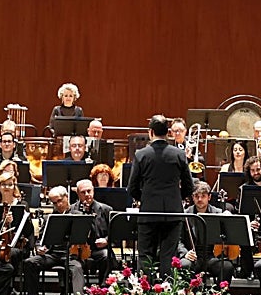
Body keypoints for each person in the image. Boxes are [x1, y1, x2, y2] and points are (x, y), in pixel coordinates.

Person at [128, 114, 192, 277]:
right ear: (168, 132)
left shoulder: (141, 155)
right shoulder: (179, 155)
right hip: (173, 212)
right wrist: (177, 198)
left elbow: (132, 187)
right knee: (168, 256)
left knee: (145, 255)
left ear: (151, 132)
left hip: (148, 212)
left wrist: (144, 199)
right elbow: (189, 186)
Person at [23, 186, 82, 295]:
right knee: (30, 262)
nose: (58, 205)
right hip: (53, 255)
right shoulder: (50, 218)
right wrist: (40, 248)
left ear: (67, 197)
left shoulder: (78, 215)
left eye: (60, 201)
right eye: (54, 203)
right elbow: (41, 239)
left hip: (71, 255)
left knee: (77, 268)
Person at [179, 181, 236, 283]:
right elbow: (178, 240)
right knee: (184, 265)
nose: (200, 199)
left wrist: (229, 220)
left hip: (212, 256)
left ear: (209, 197)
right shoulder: (185, 214)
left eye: (203, 196)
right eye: (196, 196)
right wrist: (185, 253)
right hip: (193, 256)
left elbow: (228, 237)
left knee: (227, 267)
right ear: (192, 197)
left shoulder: (218, 213)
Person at [70, 179, 114, 281]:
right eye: (83, 192)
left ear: (93, 191)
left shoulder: (105, 210)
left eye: (89, 191)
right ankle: (66, 291)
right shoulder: (71, 210)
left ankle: (102, 287)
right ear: (77, 194)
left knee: (106, 256)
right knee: (65, 258)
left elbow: (115, 233)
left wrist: (106, 240)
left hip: (98, 249)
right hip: (78, 250)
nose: (87, 194)